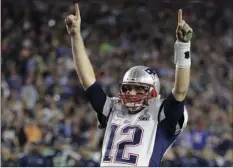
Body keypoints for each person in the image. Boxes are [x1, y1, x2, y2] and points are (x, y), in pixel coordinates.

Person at [65, 3, 193, 167]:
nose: (131, 92)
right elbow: (88, 81)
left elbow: (180, 91)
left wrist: (183, 46)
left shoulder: (160, 111)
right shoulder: (113, 107)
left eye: (139, 89)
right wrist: (75, 36)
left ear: (153, 92)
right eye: (127, 88)